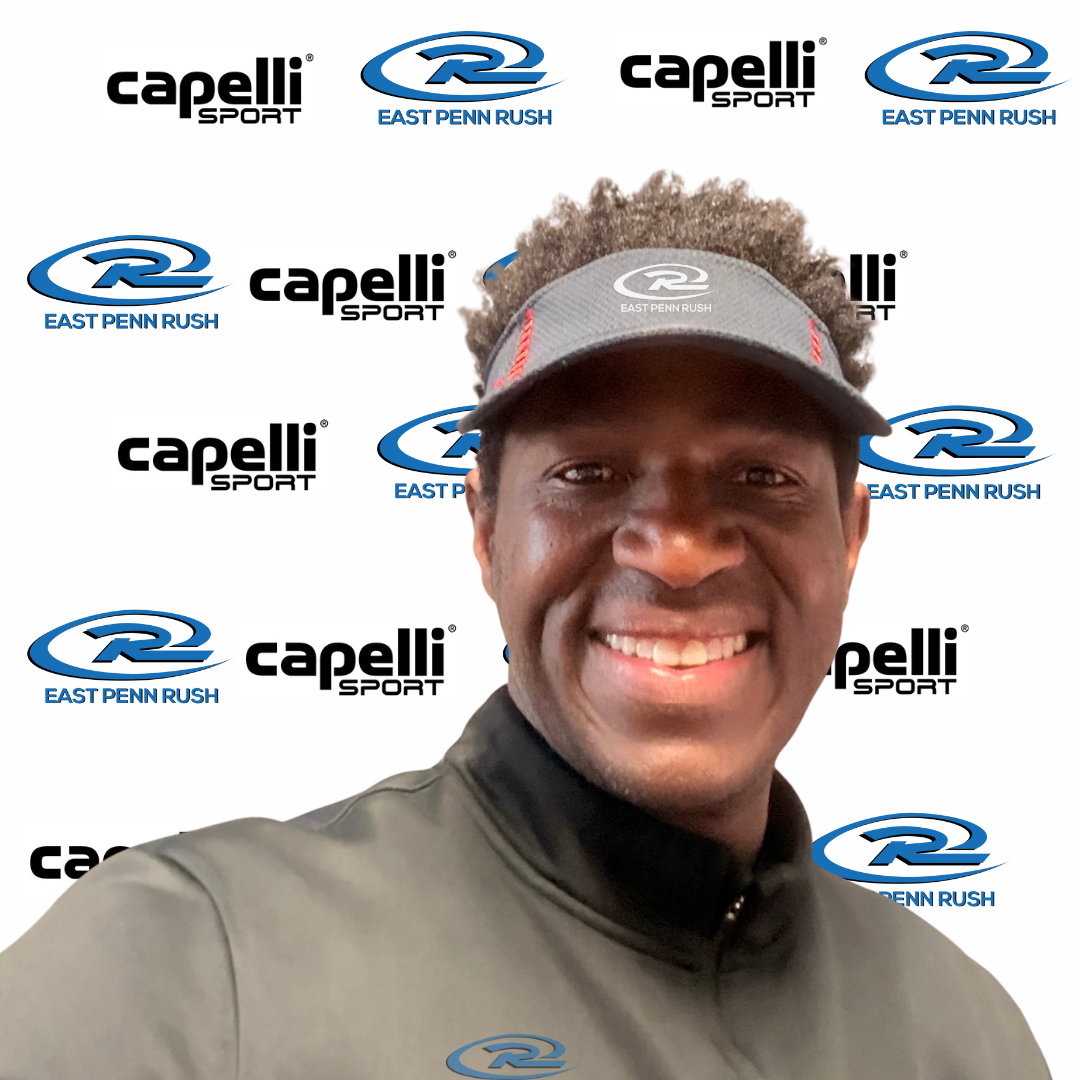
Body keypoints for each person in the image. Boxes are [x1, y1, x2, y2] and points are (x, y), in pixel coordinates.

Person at [0, 174, 1049, 1079]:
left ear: (850, 537)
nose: (678, 551)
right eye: (589, 472)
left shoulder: (964, 1029)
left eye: (761, 477)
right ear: (487, 529)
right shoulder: (186, 963)